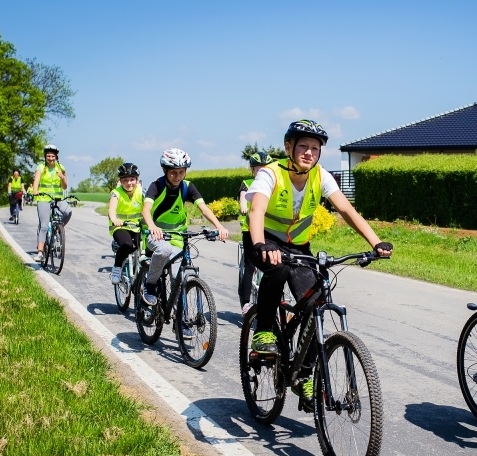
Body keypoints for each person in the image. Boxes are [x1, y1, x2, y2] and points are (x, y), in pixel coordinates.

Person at [247, 119, 393, 411]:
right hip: (266, 241)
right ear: (289, 147)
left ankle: (303, 375)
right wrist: (261, 244)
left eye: (315, 148)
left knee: (317, 299)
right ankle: (263, 331)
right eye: (303, 146)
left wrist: (375, 242)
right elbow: (257, 210)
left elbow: (346, 209)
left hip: (299, 247)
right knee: (276, 270)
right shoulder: (270, 174)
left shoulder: (320, 176)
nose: (309, 153)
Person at [141, 148, 229, 309]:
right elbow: (146, 209)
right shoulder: (157, 185)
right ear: (165, 170)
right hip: (156, 234)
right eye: (173, 172)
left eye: (182, 172)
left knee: (179, 277)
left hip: (178, 237)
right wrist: (152, 226)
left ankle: (181, 321)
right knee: (163, 251)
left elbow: (204, 208)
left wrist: (219, 226)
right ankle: (150, 285)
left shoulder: (187, 187)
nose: (178, 176)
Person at [238, 151, 274, 315]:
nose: (262, 172)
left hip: (269, 229)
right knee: (249, 266)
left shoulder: (273, 183)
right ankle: (246, 303)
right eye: (258, 169)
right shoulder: (247, 183)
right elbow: (244, 197)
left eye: (265, 169)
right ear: (252, 170)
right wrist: (244, 206)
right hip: (250, 229)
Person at [33, 144, 71, 262]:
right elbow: (36, 180)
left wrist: (62, 177)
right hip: (43, 198)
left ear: (56, 157)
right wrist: (35, 191)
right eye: (48, 156)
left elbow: (65, 187)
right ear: (45, 157)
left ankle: (58, 229)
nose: (50, 158)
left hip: (58, 198)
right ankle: (40, 252)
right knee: (44, 225)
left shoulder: (61, 168)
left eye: (53, 156)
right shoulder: (41, 167)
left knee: (68, 212)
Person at [108, 163, 144, 284]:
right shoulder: (116, 193)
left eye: (132, 179)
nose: (129, 183)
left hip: (138, 227)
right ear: (120, 180)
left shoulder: (141, 192)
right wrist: (114, 219)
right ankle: (117, 268)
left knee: (146, 248)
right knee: (127, 245)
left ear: (137, 180)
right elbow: (112, 209)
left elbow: (150, 207)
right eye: (125, 180)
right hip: (120, 227)